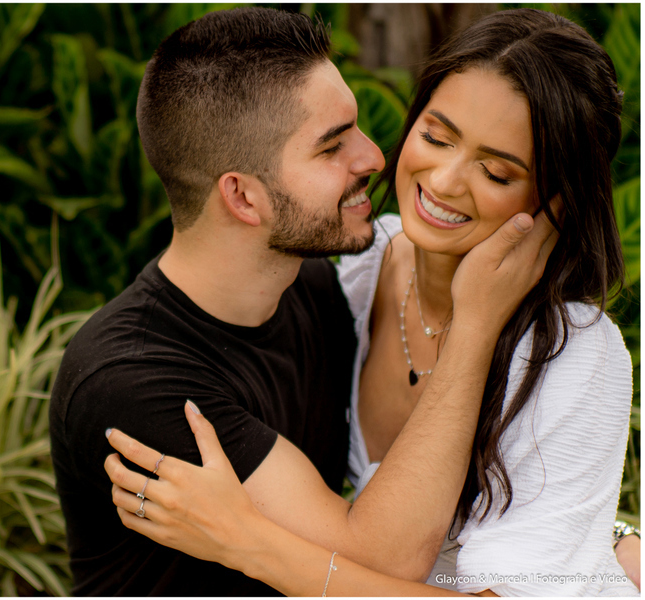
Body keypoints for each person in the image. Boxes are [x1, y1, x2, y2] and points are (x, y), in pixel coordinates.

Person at [104, 8, 640, 596]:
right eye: (436, 136)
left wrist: (246, 541)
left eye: (494, 171)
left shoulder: (571, 356)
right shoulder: (364, 270)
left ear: (556, 205)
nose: (442, 180)